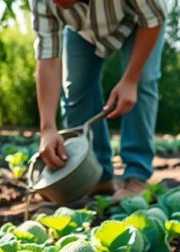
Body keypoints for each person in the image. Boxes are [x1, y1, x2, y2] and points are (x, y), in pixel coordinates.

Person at [32, 0, 166, 201]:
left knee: (143, 82)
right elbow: (47, 59)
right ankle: (98, 177)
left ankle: (137, 177)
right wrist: (48, 128)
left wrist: (130, 80)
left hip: (141, 20)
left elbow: (154, 17)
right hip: (84, 30)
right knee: (76, 87)